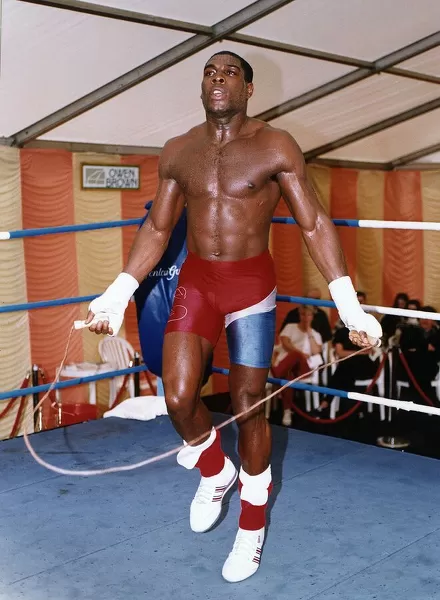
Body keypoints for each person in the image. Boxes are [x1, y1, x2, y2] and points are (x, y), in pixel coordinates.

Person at [82, 51, 382, 583]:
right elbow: (157, 229)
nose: (217, 79)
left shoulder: (274, 145)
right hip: (198, 284)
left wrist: (349, 305)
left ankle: (251, 526)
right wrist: (117, 292)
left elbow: (312, 223)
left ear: (248, 89)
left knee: (248, 407)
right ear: (201, 88)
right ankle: (216, 470)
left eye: (229, 73)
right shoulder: (179, 151)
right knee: (176, 396)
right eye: (209, 72)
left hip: (250, 288)